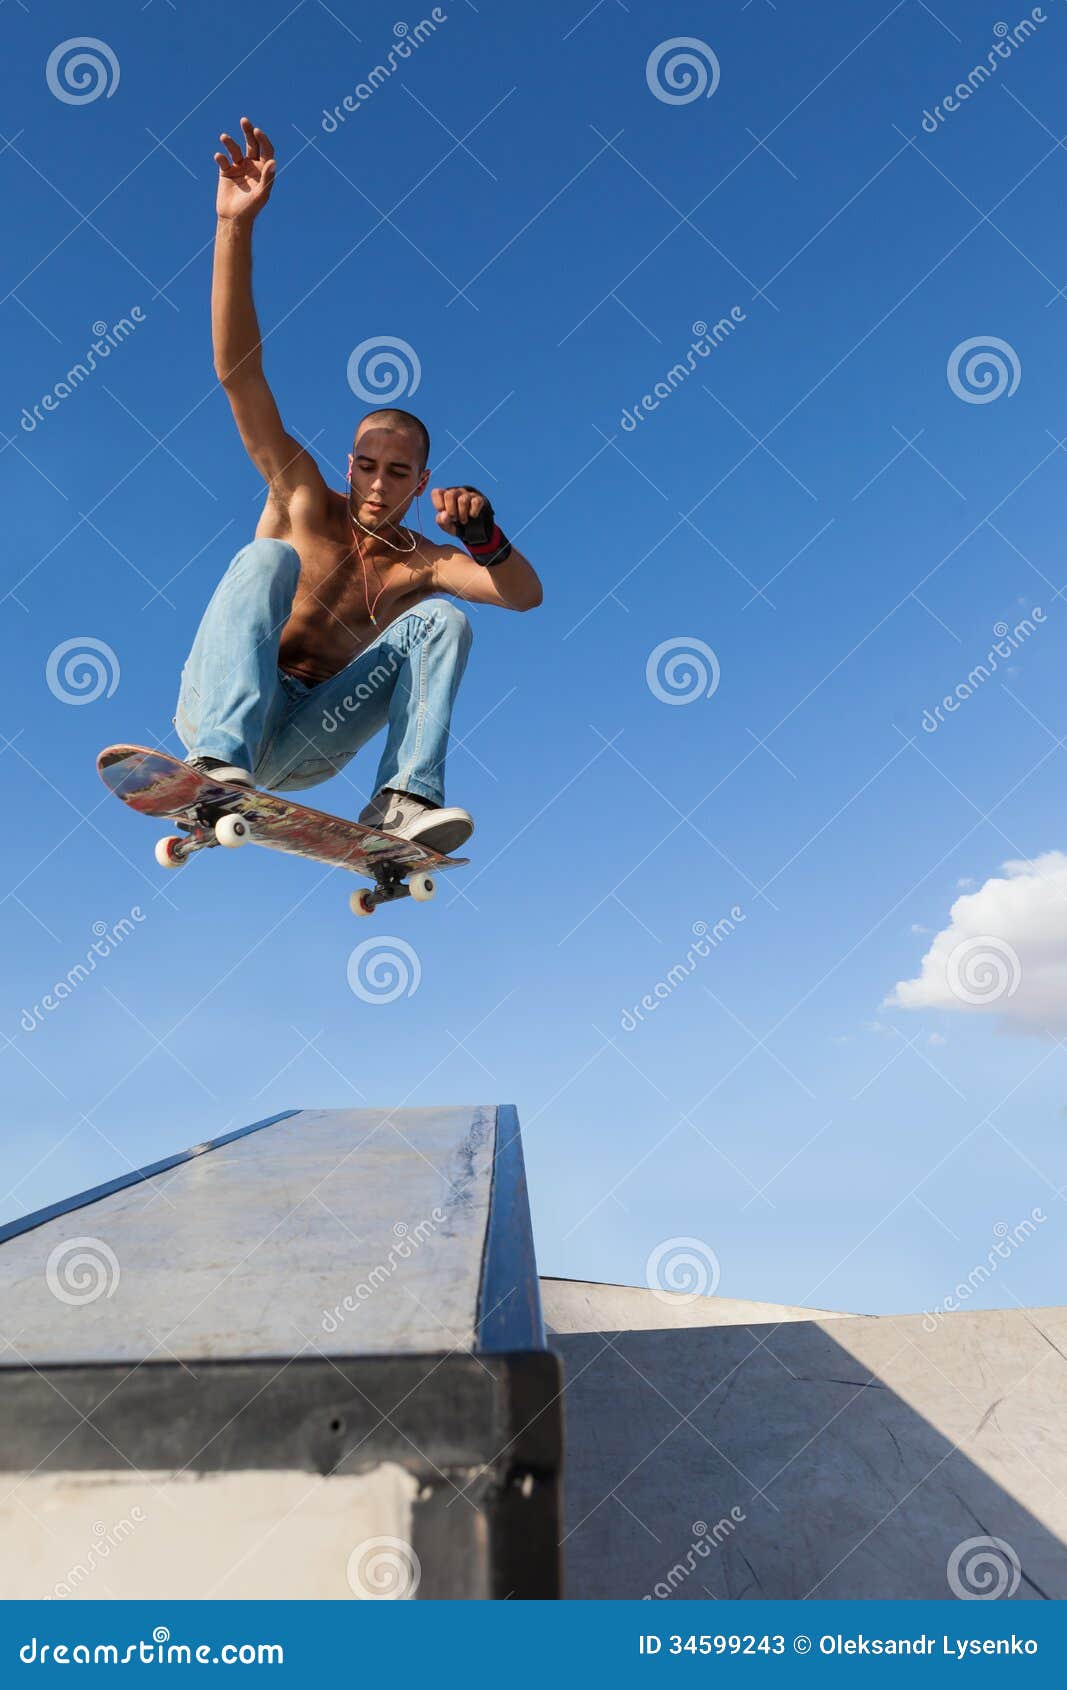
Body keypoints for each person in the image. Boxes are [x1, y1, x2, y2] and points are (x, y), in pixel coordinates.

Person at [175, 117, 543, 855]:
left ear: (421, 481)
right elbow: (236, 374)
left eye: (398, 473)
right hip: (224, 708)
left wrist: (484, 538)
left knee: (445, 621)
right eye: (368, 467)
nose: (379, 486)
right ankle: (215, 764)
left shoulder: (422, 562)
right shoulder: (303, 497)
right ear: (348, 466)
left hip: (314, 738)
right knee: (268, 560)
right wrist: (233, 229)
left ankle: (402, 800)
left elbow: (521, 595)